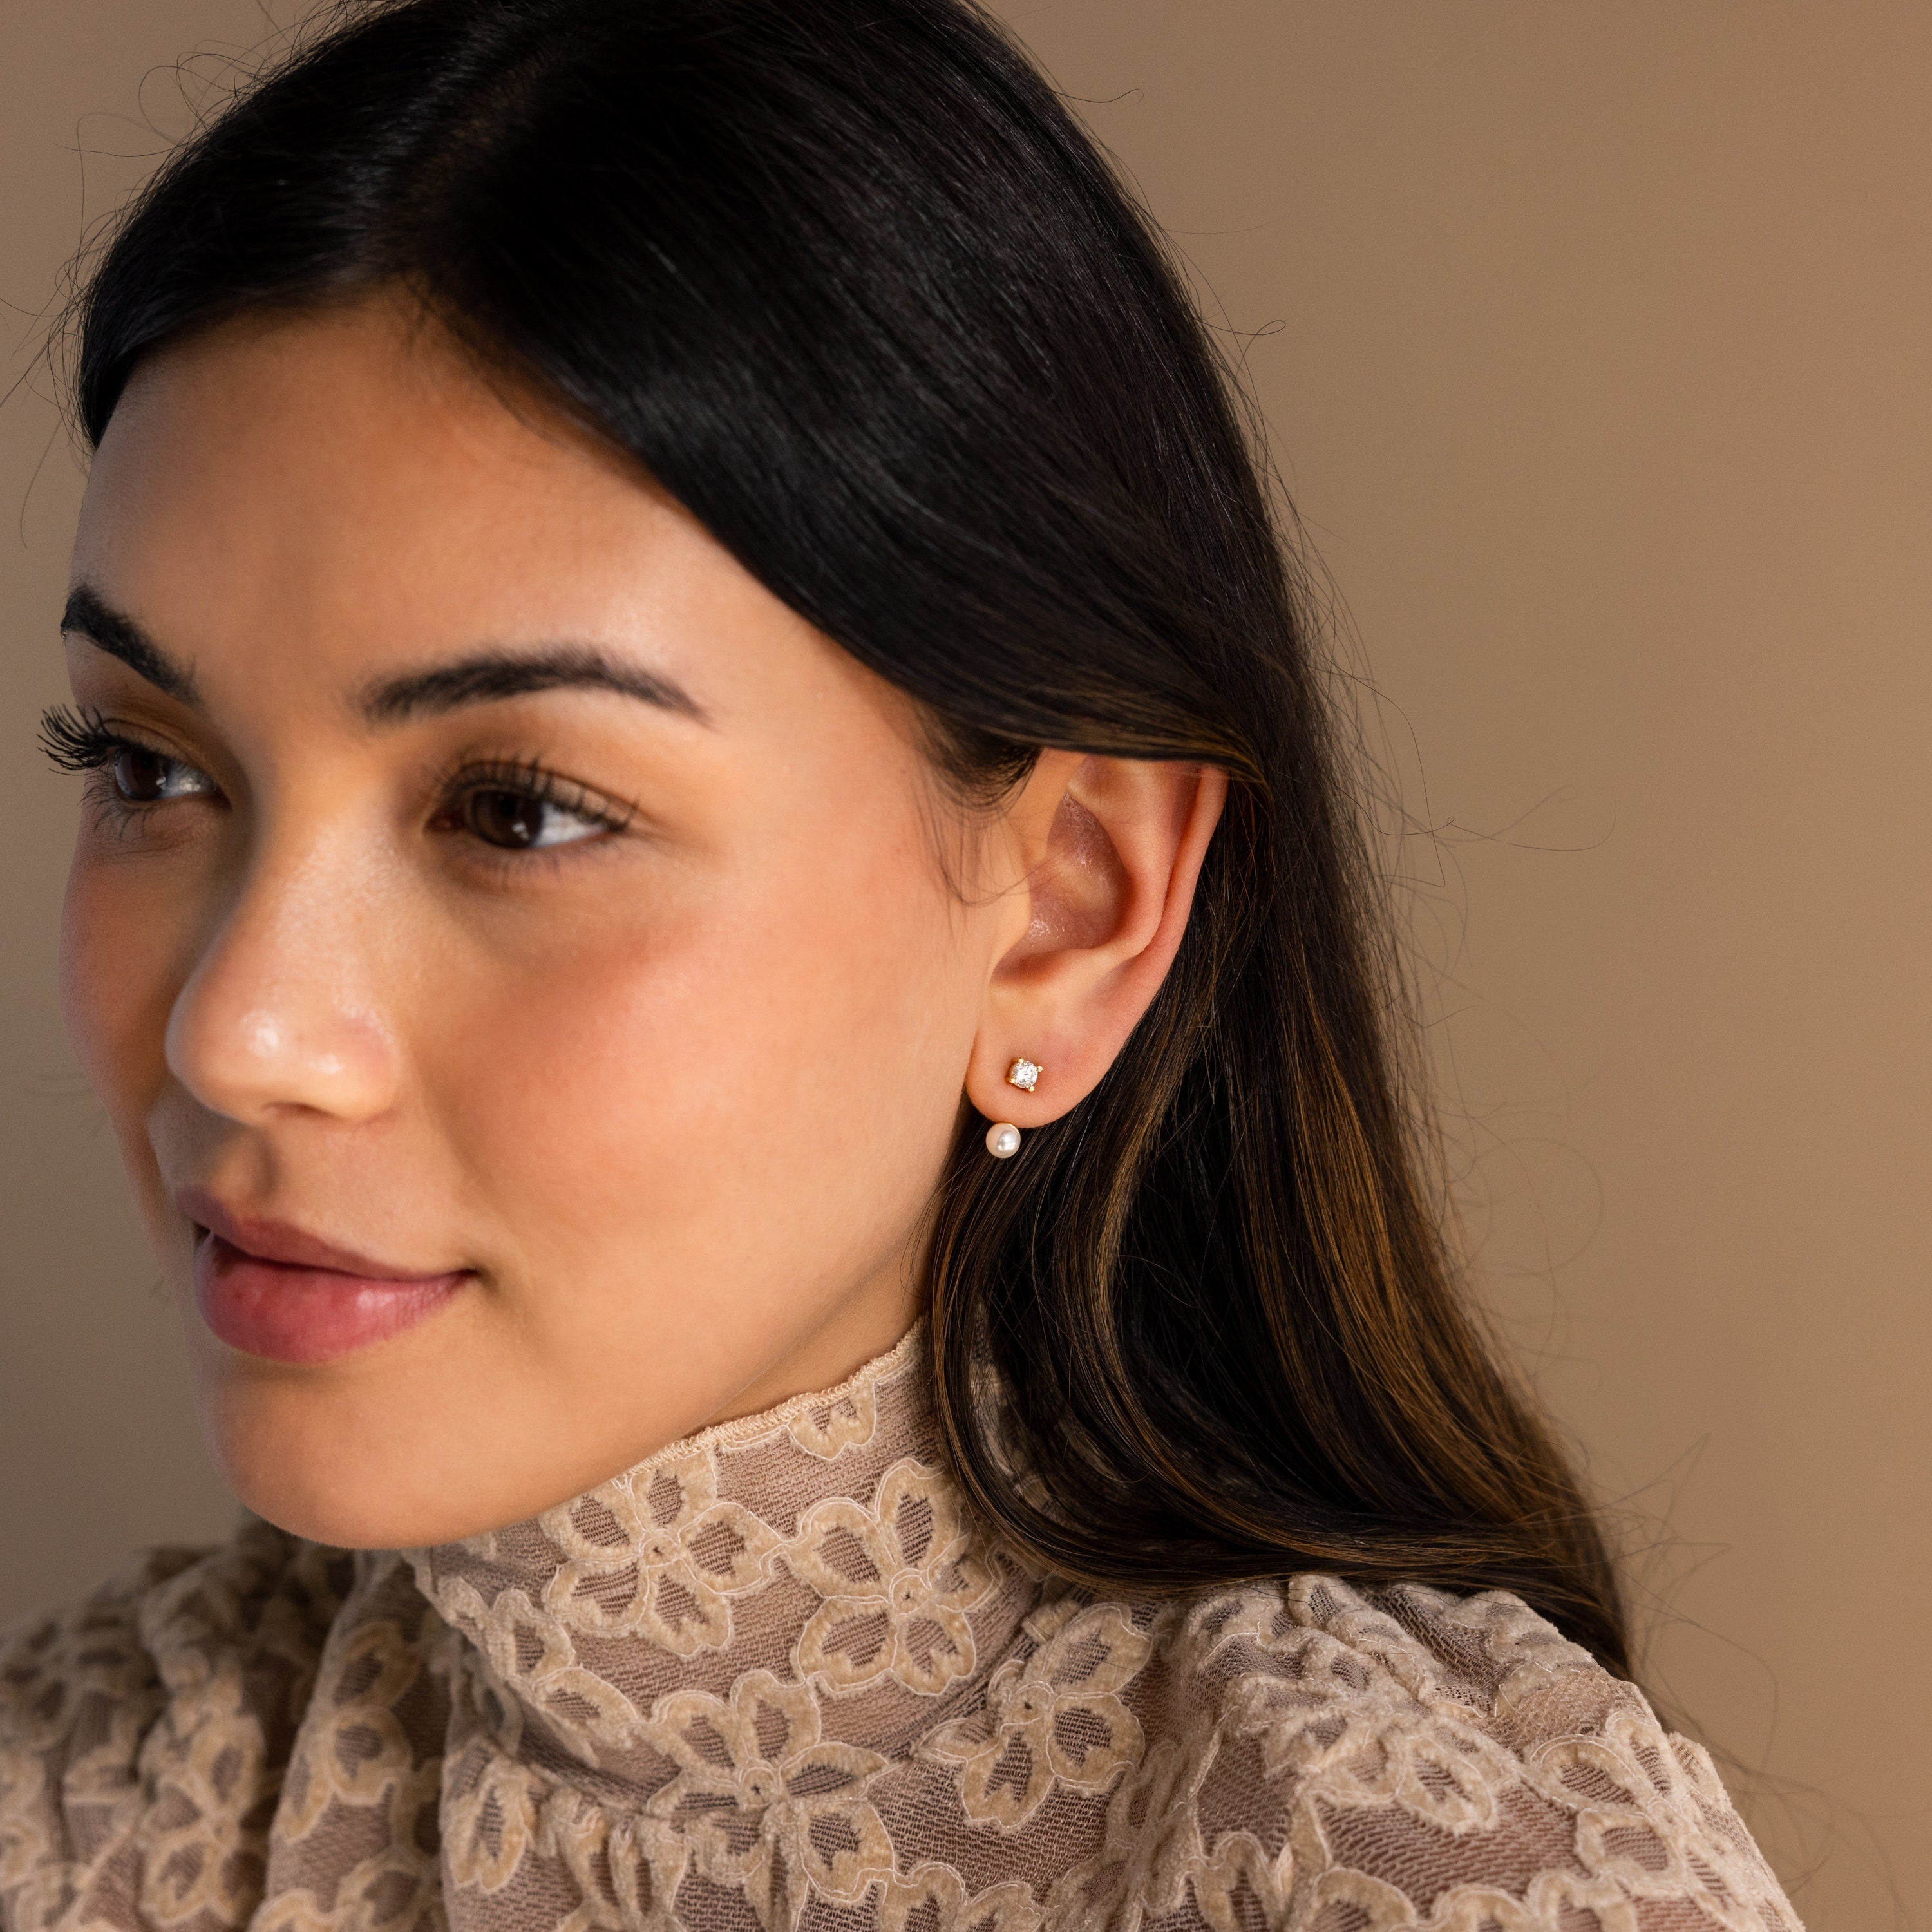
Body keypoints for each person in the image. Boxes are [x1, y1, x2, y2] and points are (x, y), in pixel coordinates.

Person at [1, 1, 1799, 1926]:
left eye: (518, 812)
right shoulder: (101, 1799)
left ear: (1068, 915)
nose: (241, 1030)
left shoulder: (1426, 1873)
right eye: (149, 767)